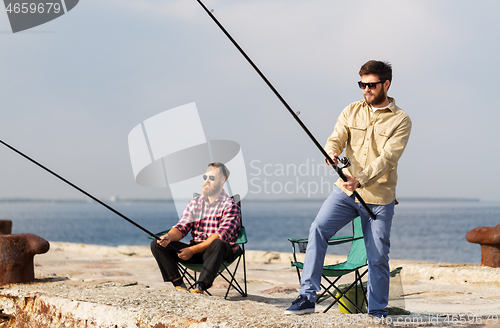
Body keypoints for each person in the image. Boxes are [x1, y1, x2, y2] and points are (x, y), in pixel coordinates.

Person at [285, 60, 412, 317]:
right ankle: (307, 297)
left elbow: (388, 158)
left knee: (377, 256)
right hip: (345, 192)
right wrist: (331, 151)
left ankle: (377, 311)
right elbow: (337, 136)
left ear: (386, 84)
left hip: (378, 198)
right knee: (318, 229)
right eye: (362, 84)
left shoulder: (401, 120)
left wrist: (361, 178)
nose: (366, 89)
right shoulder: (351, 110)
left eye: (371, 84)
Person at [150, 162, 241, 294]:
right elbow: (181, 227)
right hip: (196, 251)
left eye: (212, 178)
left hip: (218, 253)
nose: (207, 181)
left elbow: (221, 235)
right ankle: (179, 284)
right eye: (205, 178)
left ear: (222, 180)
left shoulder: (230, 206)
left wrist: (192, 250)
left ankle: (201, 286)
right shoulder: (195, 203)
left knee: (218, 243)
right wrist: (168, 237)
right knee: (157, 244)